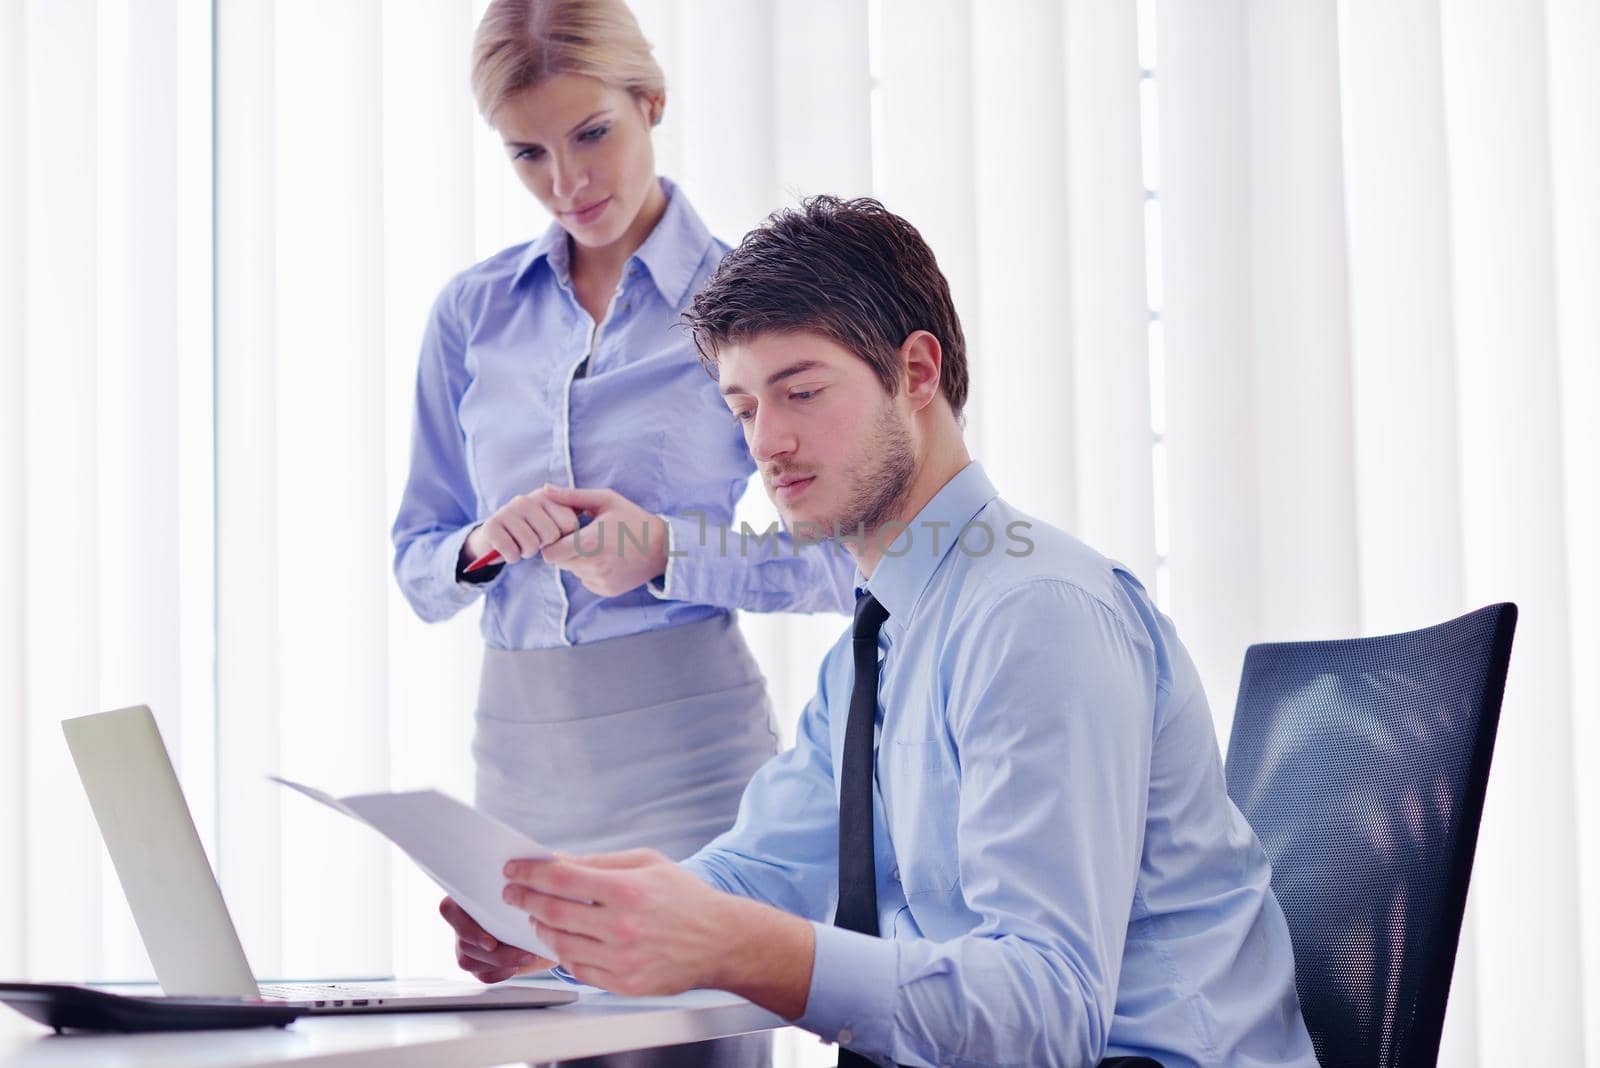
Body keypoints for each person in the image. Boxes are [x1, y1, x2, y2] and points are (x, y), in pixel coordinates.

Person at [486, 197, 1321, 1067]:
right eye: (742, 409)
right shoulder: (878, 640)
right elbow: (759, 871)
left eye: (801, 391)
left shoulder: (1034, 615)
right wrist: (569, 928)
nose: (767, 444)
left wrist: (739, 945)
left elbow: (1048, 1013)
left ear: (917, 372)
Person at [390, 4, 853, 1065]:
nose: (569, 183)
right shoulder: (471, 314)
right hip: (515, 769)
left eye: (592, 133)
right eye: (527, 154)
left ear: (650, 103)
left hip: (690, 767)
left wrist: (671, 553)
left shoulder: (747, 302)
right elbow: (420, 565)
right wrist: (483, 544)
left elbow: (844, 561)